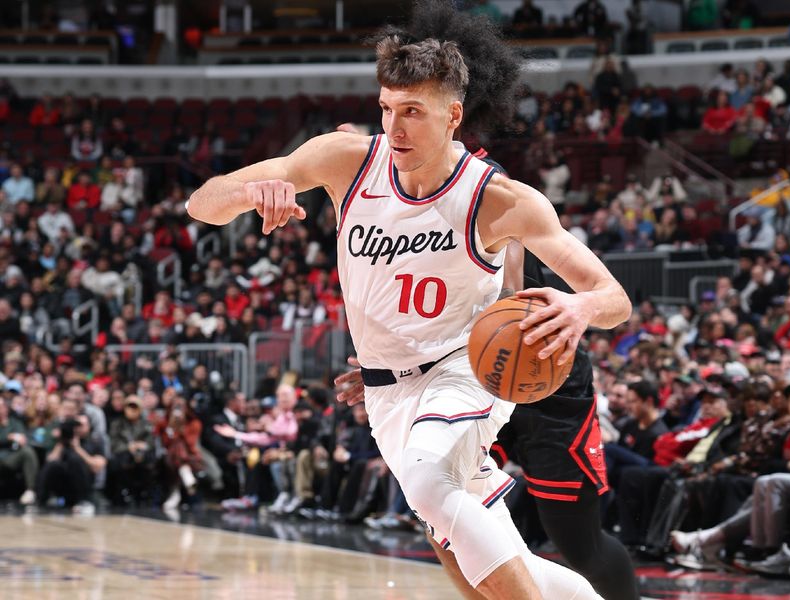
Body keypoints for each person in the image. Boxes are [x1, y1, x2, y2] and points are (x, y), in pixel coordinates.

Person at [187, 12, 631, 600]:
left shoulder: (499, 200)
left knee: (427, 482)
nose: (394, 127)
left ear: (453, 115)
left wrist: (579, 311)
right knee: (464, 545)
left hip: (468, 371)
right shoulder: (346, 161)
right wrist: (250, 191)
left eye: (413, 112)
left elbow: (613, 298)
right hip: (387, 390)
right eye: (387, 109)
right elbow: (200, 204)